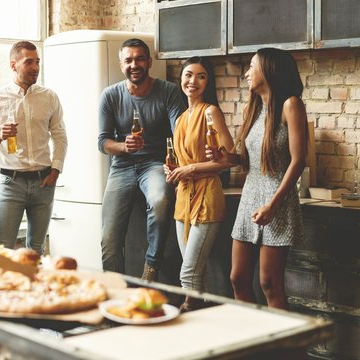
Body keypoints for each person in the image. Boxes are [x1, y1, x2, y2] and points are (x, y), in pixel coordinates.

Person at [209, 48, 307, 310]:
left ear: (269, 69)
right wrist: (225, 158)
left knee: (269, 283)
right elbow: (246, 160)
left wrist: (272, 206)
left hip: (278, 202)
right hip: (250, 198)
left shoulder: (291, 105)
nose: (246, 73)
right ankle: (255, 341)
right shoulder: (252, 109)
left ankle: (282, 349)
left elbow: (298, 161)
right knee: (238, 279)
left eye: (252, 66)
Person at [98, 38, 186, 281]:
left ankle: (151, 265)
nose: (134, 64)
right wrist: (123, 146)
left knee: (159, 201)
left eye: (139, 59)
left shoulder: (168, 91)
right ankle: (114, 288)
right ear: (121, 64)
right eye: (128, 60)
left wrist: (181, 166)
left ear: (149, 62)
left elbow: (180, 133)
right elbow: (103, 142)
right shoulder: (110, 96)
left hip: (155, 165)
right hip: (122, 166)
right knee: (109, 237)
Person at [0, 41, 67, 254]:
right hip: (11, 184)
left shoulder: (49, 97)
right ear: (13, 65)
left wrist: (56, 170)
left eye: (37, 62)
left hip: (43, 183)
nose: (35, 67)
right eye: (29, 62)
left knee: (36, 251)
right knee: (3, 250)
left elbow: (60, 137)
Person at [165, 57, 234, 312]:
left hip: (207, 196)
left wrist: (190, 168)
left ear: (208, 82)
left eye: (201, 76)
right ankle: (203, 326)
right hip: (183, 198)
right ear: (181, 79)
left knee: (188, 273)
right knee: (195, 272)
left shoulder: (210, 111)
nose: (193, 81)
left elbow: (229, 158)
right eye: (188, 75)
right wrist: (172, 168)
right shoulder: (182, 117)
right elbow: (179, 158)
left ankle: (189, 314)